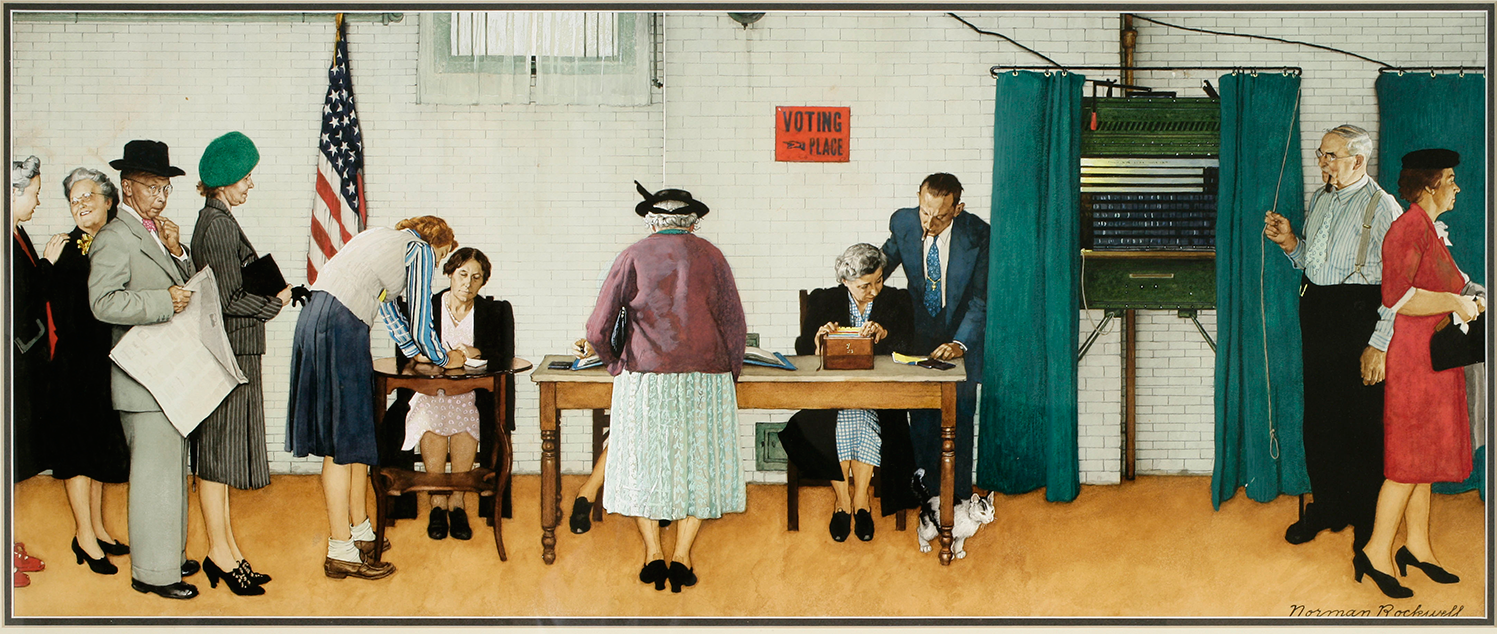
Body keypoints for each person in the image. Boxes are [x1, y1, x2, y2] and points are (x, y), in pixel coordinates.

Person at [585, 182, 746, 592]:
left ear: (652, 218)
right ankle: (683, 556)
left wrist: (614, 364)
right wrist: (731, 372)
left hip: (645, 377)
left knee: (643, 464)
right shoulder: (712, 255)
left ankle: (653, 555)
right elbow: (734, 326)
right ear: (691, 219)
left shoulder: (633, 255)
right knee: (700, 465)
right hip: (706, 378)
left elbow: (596, 329)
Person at [287, 215, 461, 581]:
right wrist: (444, 357)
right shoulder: (419, 250)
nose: (439, 262)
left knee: (352, 438)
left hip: (317, 320)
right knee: (341, 443)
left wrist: (415, 353)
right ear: (438, 242)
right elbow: (418, 317)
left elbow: (389, 311)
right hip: (342, 325)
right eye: (444, 254)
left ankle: (361, 531)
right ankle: (339, 550)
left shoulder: (383, 241)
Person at [1263, 124, 1401, 550]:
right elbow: (1314, 263)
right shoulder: (1319, 199)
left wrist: (1379, 343)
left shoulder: (1384, 207)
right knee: (1321, 416)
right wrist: (1290, 242)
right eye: (1320, 155)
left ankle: (1366, 520)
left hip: (1361, 316)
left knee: (1362, 422)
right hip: (1318, 311)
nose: (1321, 163)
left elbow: (1400, 285)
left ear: (1357, 161)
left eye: (1330, 156)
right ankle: (1326, 506)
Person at [1354, 148, 1480, 599]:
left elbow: (1451, 281)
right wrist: (1453, 302)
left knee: (1423, 461)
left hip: (1434, 359)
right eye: (1450, 179)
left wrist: (1472, 293)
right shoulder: (1406, 229)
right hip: (1414, 360)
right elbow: (1397, 297)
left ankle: (1419, 547)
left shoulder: (1430, 229)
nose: (1457, 187)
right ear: (1429, 186)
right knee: (1407, 463)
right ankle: (1375, 550)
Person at [87, 140, 200, 600]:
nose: (161, 196)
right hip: (141, 378)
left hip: (164, 375)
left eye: (165, 188)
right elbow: (102, 302)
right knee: (154, 478)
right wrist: (161, 302)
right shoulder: (115, 237)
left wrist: (177, 253)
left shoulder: (152, 233)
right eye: (152, 187)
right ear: (127, 188)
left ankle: (168, 556)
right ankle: (152, 574)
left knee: (171, 473)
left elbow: (181, 284)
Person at [188, 132, 290, 595]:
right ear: (224, 181)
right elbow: (228, 298)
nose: (250, 185)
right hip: (229, 352)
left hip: (236, 350)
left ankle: (227, 550)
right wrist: (277, 300)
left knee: (223, 457)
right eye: (245, 178)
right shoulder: (217, 225)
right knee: (216, 457)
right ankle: (220, 554)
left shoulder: (218, 219)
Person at [780, 243, 918, 543]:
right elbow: (803, 350)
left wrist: (886, 334)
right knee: (841, 422)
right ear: (845, 281)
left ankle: (857, 502)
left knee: (860, 421)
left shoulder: (898, 299)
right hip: (832, 398)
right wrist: (818, 340)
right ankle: (847, 501)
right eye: (864, 285)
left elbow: (911, 345)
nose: (875, 291)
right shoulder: (824, 300)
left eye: (879, 280)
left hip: (879, 399)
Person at [383, 247, 515, 541]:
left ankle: (457, 503)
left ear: (483, 282)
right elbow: (407, 355)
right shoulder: (425, 307)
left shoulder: (492, 312)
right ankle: (436, 503)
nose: (468, 283)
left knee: (468, 410)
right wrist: (427, 360)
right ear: (450, 274)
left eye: (476, 277)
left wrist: (476, 351)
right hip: (428, 393)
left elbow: (503, 355)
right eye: (463, 274)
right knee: (433, 409)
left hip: (470, 394)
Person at [881, 173, 988, 501]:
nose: (929, 223)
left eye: (940, 216)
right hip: (920, 333)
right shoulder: (904, 222)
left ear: (957, 209)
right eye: (924, 212)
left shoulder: (977, 234)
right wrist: (854, 280)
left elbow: (981, 300)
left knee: (959, 417)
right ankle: (925, 492)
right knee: (922, 417)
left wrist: (959, 343)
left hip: (960, 335)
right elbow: (879, 268)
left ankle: (956, 497)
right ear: (919, 198)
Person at [49, 168, 131, 578]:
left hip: (104, 361)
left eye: (88, 197)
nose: (80, 205)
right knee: (79, 451)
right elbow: (60, 312)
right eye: (74, 200)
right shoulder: (66, 249)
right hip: (76, 364)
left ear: (109, 201)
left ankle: (97, 527)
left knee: (97, 446)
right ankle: (83, 535)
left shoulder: (115, 240)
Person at [11, 155, 64, 588]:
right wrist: (47, 264)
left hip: (25, 367)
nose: (38, 200)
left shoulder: (18, 231)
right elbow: (22, 301)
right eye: (33, 193)